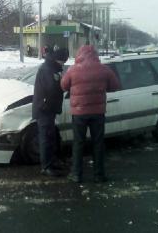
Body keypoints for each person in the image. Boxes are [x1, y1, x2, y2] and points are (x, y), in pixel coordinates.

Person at [61, 45, 120, 183]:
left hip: (79, 113)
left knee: (78, 143)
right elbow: (115, 85)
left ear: (79, 55)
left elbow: (63, 86)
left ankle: (76, 174)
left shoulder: (73, 70)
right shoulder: (104, 69)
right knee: (98, 143)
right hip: (98, 113)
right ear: (95, 55)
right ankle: (99, 175)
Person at [32, 47, 69, 177]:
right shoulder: (48, 69)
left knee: (50, 137)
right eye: (62, 61)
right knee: (45, 139)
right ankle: (46, 166)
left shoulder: (51, 67)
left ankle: (52, 162)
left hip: (48, 108)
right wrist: (63, 84)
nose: (63, 64)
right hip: (44, 109)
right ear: (57, 59)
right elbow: (52, 89)